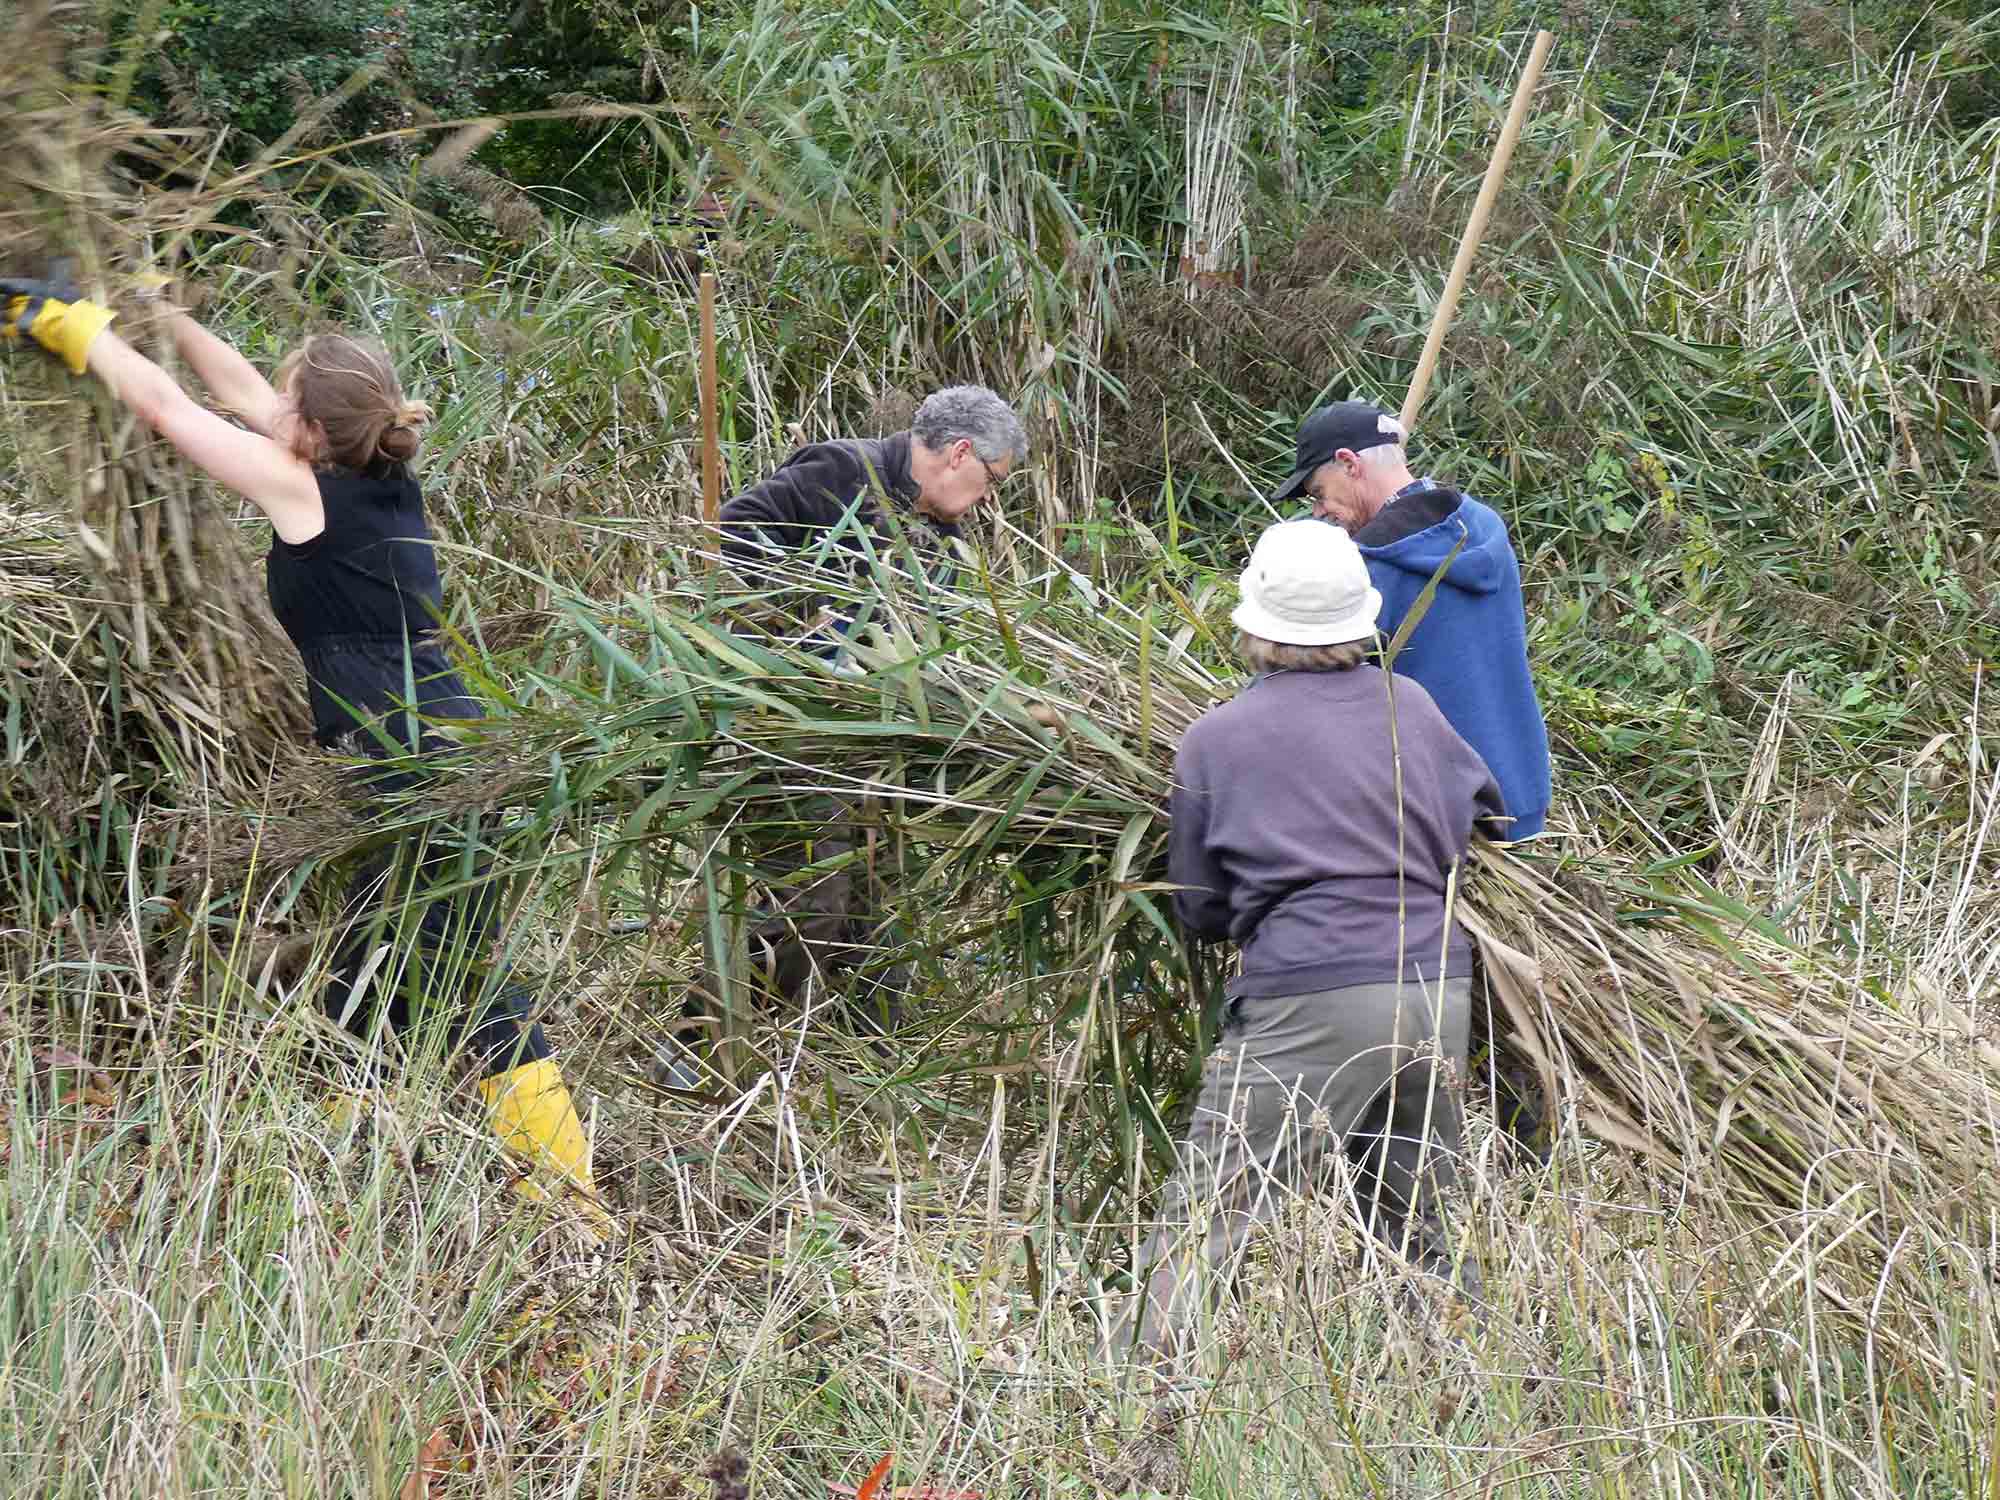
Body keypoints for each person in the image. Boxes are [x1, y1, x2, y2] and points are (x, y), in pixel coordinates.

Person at [2, 268, 609, 1235]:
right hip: (435, 745)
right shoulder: (380, 471)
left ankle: (571, 1202)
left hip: (413, 764)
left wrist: (70, 327)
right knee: (371, 959)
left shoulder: (300, 487)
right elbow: (245, 394)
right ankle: (349, 1166)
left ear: (315, 433)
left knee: (461, 974)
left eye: (291, 402)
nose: (271, 407)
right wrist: (173, 318)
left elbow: (163, 408)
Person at [1126, 519, 1504, 1363]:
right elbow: (1482, 812)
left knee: (1210, 1216)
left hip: (1312, 996)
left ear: (1254, 626)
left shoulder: (1216, 739)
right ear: (1358, 621)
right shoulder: (1414, 707)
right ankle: (1473, 1391)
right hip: (1434, 987)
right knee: (1420, 1221)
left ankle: (1129, 1409)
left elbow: (1199, 905)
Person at [681, 388, 1027, 1059]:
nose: (989, 499)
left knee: (883, 907)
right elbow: (726, 537)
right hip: (790, 729)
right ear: (960, 453)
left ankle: (866, 1067)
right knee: (812, 903)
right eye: (992, 481)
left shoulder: (941, 542)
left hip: (875, 747)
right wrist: (791, 626)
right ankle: (695, 1043)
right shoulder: (844, 473)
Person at [1270, 400, 1551, 840]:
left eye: (1318, 493)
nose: (1319, 510)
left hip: (1444, 813)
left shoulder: (1372, 567)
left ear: (1348, 463)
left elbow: (1315, 689)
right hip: (1520, 787)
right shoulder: (1481, 524)